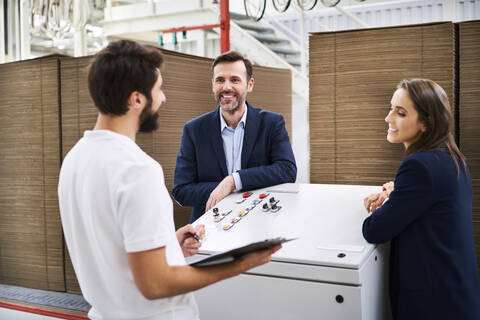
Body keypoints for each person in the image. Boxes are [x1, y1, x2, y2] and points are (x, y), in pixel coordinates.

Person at [58, 40, 280, 320]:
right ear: (137, 99)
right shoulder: (137, 169)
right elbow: (155, 284)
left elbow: (110, 247)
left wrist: (168, 243)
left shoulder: (75, 159)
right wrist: (239, 263)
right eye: (159, 90)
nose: (163, 99)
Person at [362, 79, 480, 320]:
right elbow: (431, 201)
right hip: (458, 294)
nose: (388, 118)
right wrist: (398, 191)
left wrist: (387, 200)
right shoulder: (452, 158)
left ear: (426, 123)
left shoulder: (419, 166)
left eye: (401, 113)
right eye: (391, 108)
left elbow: (374, 230)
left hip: (432, 304)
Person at [172, 51, 297, 222]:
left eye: (235, 80)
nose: (227, 87)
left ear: (249, 84)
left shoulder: (271, 123)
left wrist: (234, 181)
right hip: (209, 228)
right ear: (213, 85)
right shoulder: (194, 130)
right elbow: (182, 190)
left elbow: (287, 170)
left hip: (260, 224)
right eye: (220, 80)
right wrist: (223, 189)